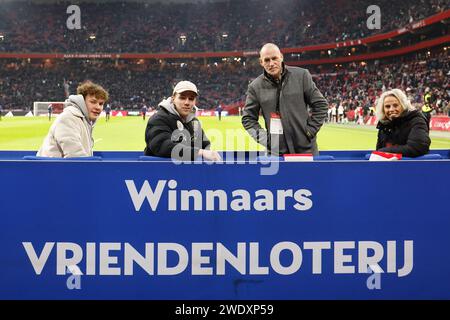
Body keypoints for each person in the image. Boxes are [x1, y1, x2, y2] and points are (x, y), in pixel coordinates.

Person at [242, 43, 328, 156]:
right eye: (267, 60)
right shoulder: (255, 87)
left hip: (306, 150)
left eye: (274, 58)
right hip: (276, 153)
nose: (271, 63)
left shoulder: (301, 76)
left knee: (308, 175)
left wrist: (310, 131)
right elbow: (248, 119)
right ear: (261, 62)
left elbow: (321, 104)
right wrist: (266, 140)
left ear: (281, 57)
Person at [144, 80, 221, 161]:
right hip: (161, 171)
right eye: (182, 98)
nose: (187, 102)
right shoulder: (159, 119)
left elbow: (205, 145)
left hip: (187, 171)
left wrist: (207, 152)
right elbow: (162, 146)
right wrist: (199, 152)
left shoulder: (194, 123)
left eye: (191, 99)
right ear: (173, 98)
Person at [37, 81, 108, 158]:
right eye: (93, 102)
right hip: (52, 169)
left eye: (101, 104)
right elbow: (75, 156)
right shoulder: (68, 119)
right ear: (82, 102)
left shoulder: (81, 119)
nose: (98, 107)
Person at [375, 89, 430, 158]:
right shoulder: (384, 125)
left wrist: (382, 152)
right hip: (389, 168)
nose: (391, 109)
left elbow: (417, 147)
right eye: (387, 106)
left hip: (412, 167)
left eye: (395, 105)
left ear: (403, 105)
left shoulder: (417, 121)